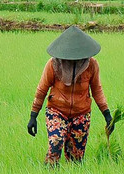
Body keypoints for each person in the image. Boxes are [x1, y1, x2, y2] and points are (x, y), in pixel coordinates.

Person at [27, 26, 113, 165]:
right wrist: (33, 116)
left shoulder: (91, 65)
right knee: (56, 143)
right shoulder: (53, 65)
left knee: (76, 158)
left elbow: (97, 90)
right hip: (56, 111)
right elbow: (41, 90)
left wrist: (107, 115)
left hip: (81, 114)